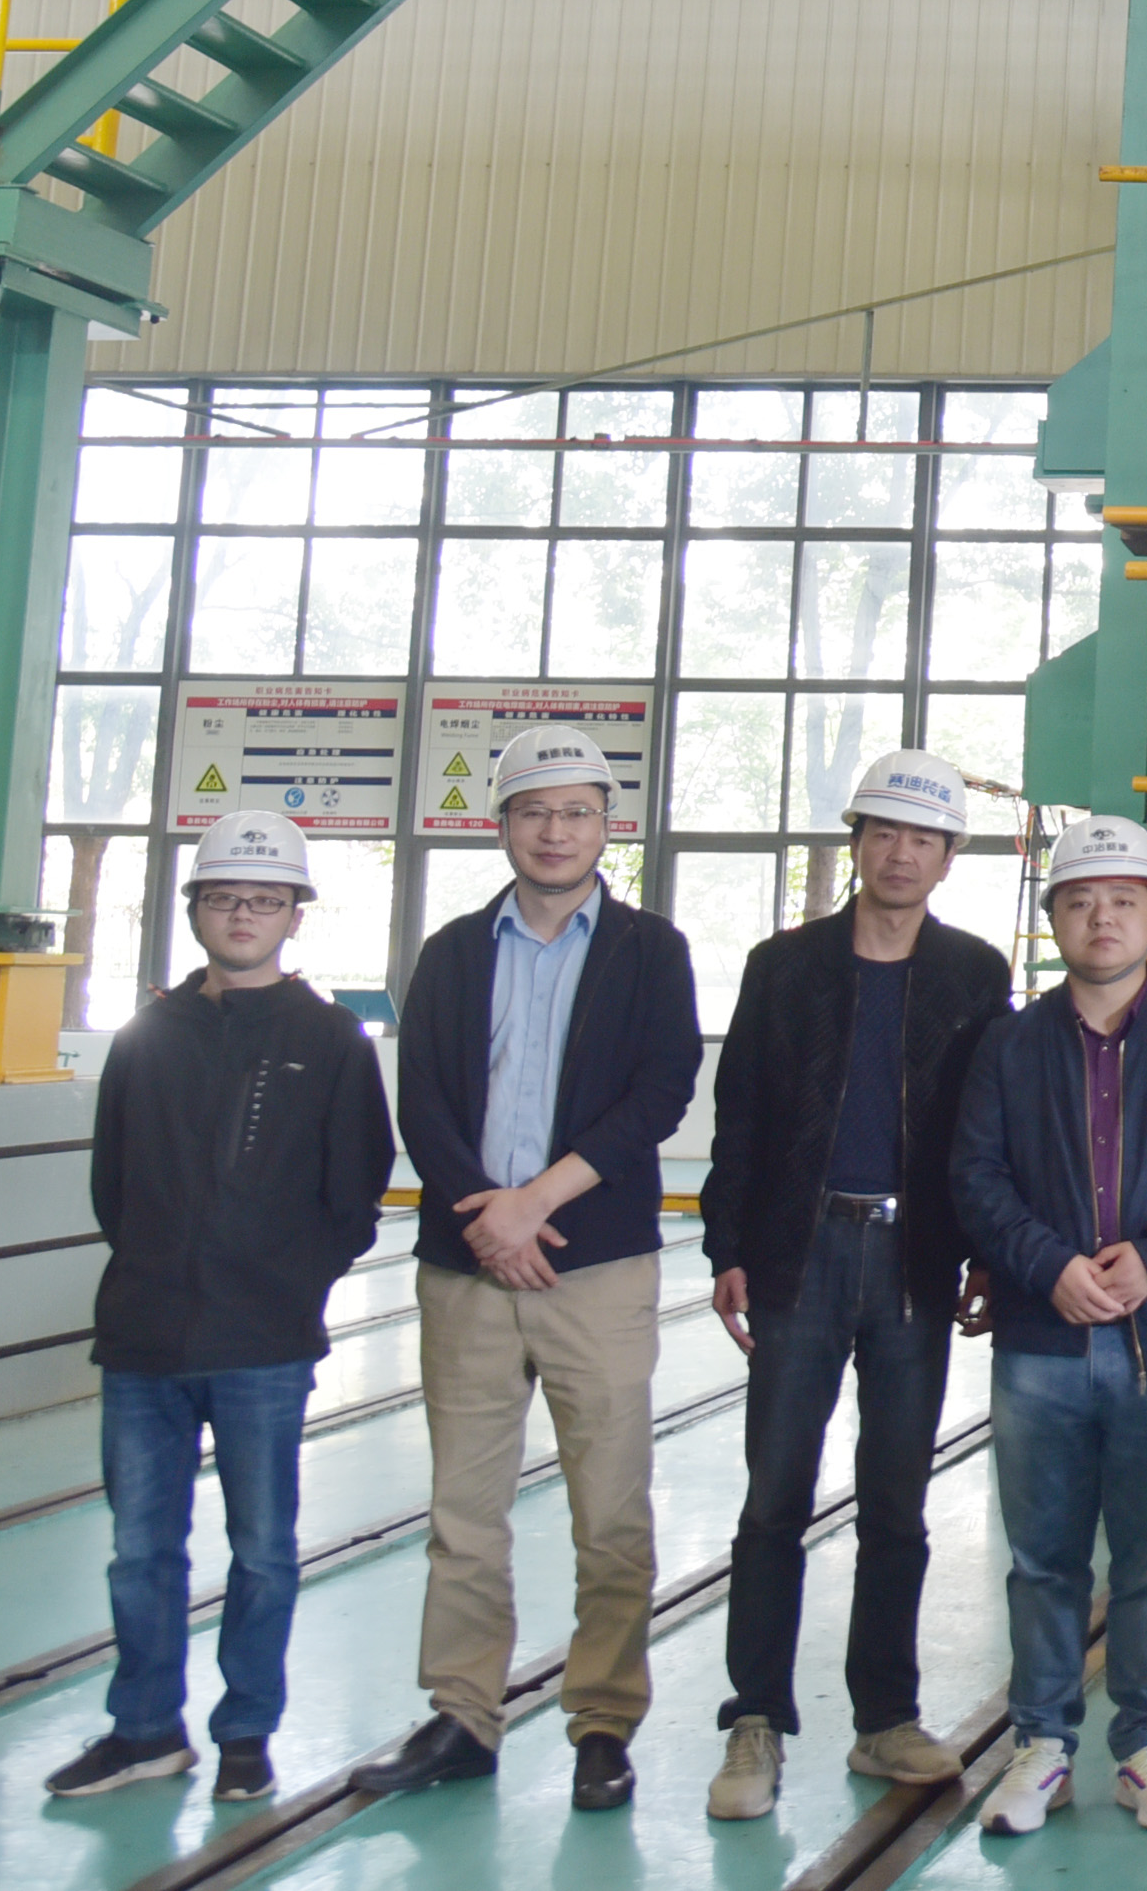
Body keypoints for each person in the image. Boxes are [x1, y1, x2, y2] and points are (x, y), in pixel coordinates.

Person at [362, 724, 703, 1812]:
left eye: (576, 813)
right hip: (466, 1265)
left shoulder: (651, 950)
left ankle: (602, 1718)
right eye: (534, 812)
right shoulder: (455, 950)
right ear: (500, 823)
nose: (555, 832)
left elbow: (659, 1093)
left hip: (593, 1266)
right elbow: (422, 1097)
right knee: (463, 1513)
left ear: (608, 826)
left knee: (612, 1511)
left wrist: (535, 1204)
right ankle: (462, 1712)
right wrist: (486, 1215)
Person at [45, 811, 396, 1803]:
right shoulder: (148, 1033)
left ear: (294, 915)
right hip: (143, 1337)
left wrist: (288, 1284)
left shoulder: (329, 1039)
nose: (244, 915)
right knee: (139, 1552)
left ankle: (246, 1731)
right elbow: (114, 1182)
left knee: (263, 1551)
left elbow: (355, 1189)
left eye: (265, 900)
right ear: (194, 908)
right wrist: (152, 1269)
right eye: (225, 898)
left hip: (262, 1342)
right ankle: (144, 1730)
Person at [700, 749, 1014, 1821]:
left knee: (896, 1500)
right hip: (801, 1252)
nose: (900, 853)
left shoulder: (974, 974)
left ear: (948, 857)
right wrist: (726, 1246)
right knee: (773, 1497)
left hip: (912, 1262)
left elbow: (983, 1128)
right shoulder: (783, 966)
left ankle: (886, 1716)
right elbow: (740, 1115)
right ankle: (755, 1717)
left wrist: (982, 1251)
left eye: (922, 838)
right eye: (884, 833)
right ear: (858, 844)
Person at [954, 814, 1147, 1837]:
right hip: (1039, 1344)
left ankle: (1145, 1747)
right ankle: (1041, 1746)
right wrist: (1048, 1266)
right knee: (1042, 1561)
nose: (1103, 918)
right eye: (1081, 901)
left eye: (1124, 900)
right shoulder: (1008, 1043)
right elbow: (975, 1173)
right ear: (1054, 918)